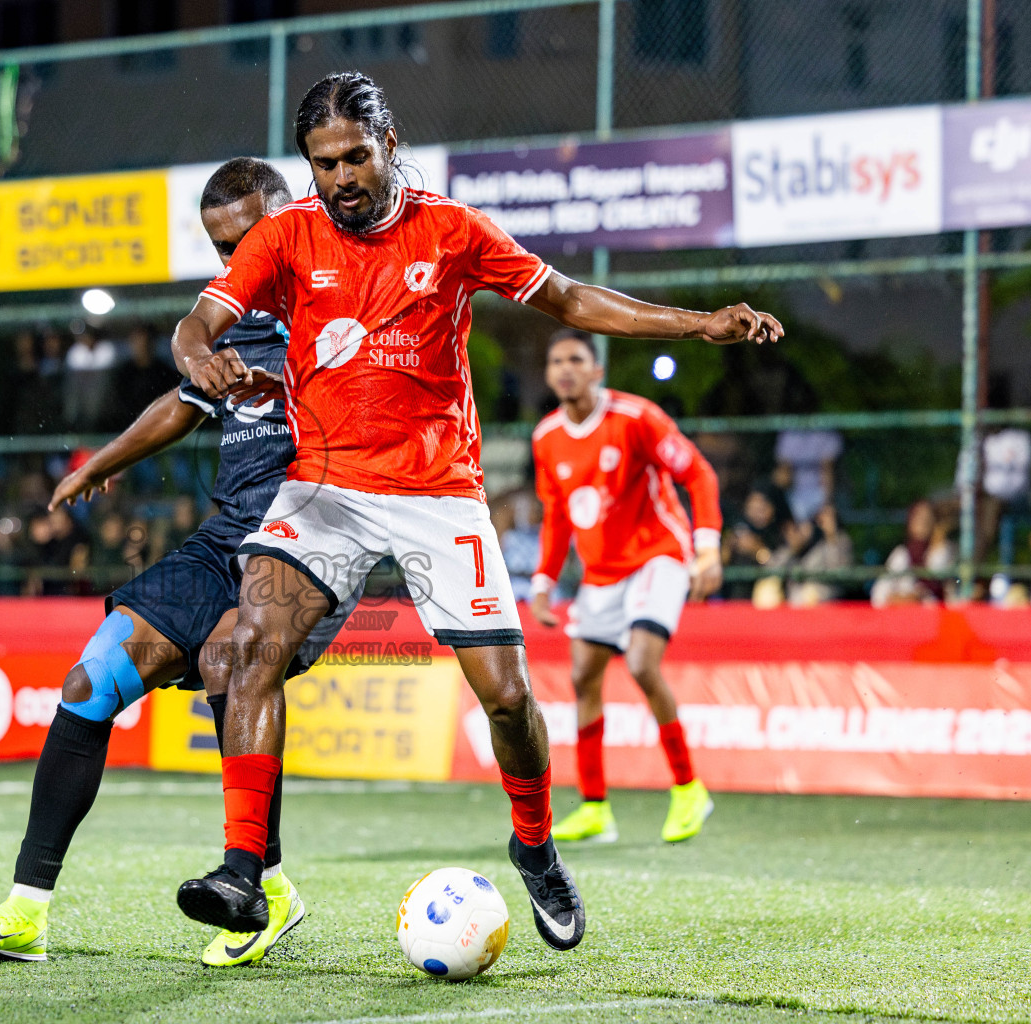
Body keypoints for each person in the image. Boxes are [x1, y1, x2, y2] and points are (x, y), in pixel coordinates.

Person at [168, 73, 781, 954]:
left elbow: (569, 299)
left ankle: (535, 848)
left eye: (353, 157)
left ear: (387, 145)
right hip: (326, 487)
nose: (338, 178)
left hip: (437, 491)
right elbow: (200, 322)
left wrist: (697, 325)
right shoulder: (286, 236)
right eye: (320, 163)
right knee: (248, 645)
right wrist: (200, 355)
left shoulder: (450, 229)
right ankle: (241, 873)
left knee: (507, 700)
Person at [0, 157, 363, 968]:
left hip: (316, 531)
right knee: (92, 677)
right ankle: (26, 909)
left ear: (292, 218)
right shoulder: (231, 313)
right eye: (219, 249)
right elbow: (185, 397)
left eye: (246, 242)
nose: (232, 263)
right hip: (224, 533)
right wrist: (105, 461)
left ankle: (260, 886)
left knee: (231, 655)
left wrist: (297, 387)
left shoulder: (346, 302)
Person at [530, 330, 722, 845]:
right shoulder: (546, 437)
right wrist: (544, 582)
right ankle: (595, 808)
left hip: (659, 554)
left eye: (576, 359)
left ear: (596, 371)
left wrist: (708, 547)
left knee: (640, 662)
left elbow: (699, 474)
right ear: (549, 375)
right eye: (556, 361)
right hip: (601, 574)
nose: (565, 368)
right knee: (584, 677)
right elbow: (557, 516)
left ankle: (688, 788)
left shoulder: (636, 419)